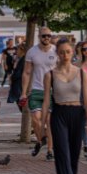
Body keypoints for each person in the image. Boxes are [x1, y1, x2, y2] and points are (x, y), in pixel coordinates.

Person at [41, 39, 87, 174]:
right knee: (62, 154)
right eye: (62, 52)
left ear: (73, 53)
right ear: (57, 53)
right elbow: (47, 101)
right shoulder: (50, 74)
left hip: (77, 114)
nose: (65, 55)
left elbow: (86, 99)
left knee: (73, 156)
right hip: (59, 115)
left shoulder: (81, 73)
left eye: (68, 52)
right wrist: (41, 125)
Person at [20, 27, 57, 161]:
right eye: (43, 36)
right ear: (39, 37)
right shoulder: (32, 52)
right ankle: (42, 139)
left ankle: (50, 150)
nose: (46, 38)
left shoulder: (56, 50)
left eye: (48, 36)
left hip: (52, 90)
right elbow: (27, 72)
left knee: (49, 121)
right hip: (36, 89)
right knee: (36, 119)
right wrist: (23, 92)